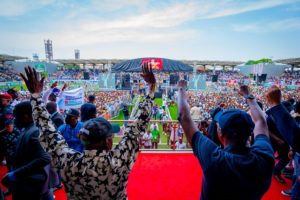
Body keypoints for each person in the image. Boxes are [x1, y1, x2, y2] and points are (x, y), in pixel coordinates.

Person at [20, 64, 155, 199]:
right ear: (108, 142)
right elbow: (139, 124)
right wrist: (151, 88)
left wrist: (36, 96)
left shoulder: (69, 162)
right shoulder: (119, 160)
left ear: (82, 139)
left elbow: (47, 131)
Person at [177, 80, 274, 200]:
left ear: (220, 133)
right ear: (250, 132)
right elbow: (261, 121)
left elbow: (184, 117)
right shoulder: (265, 157)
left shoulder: (214, 158)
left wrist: (181, 88)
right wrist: (249, 96)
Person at [1, 101, 52, 200]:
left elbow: (44, 158)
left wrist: (14, 175)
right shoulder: (28, 129)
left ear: (26, 116)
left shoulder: (34, 132)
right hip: (28, 184)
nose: (14, 120)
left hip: (31, 186)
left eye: (16, 117)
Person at [265, 86, 300, 199]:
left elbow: (294, 132)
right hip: (275, 140)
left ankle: (276, 171)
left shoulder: (284, 112)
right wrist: (277, 139)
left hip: (286, 141)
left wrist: (292, 148)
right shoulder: (269, 115)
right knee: (268, 158)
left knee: (286, 159)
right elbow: (267, 129)